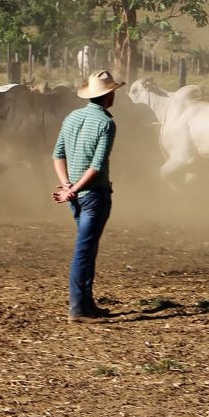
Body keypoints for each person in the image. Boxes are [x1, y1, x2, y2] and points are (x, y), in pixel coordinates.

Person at [52, 69, 122, 323]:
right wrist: (73, 189)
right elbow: (97, 166)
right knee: (84, 250)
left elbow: (58, 155)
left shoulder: (72, 118)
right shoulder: (107, 123)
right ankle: (79, 309)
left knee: (87, 248)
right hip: (94, 195)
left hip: (75, 196)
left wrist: (67, 186)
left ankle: (86, 302)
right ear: (109, 95)